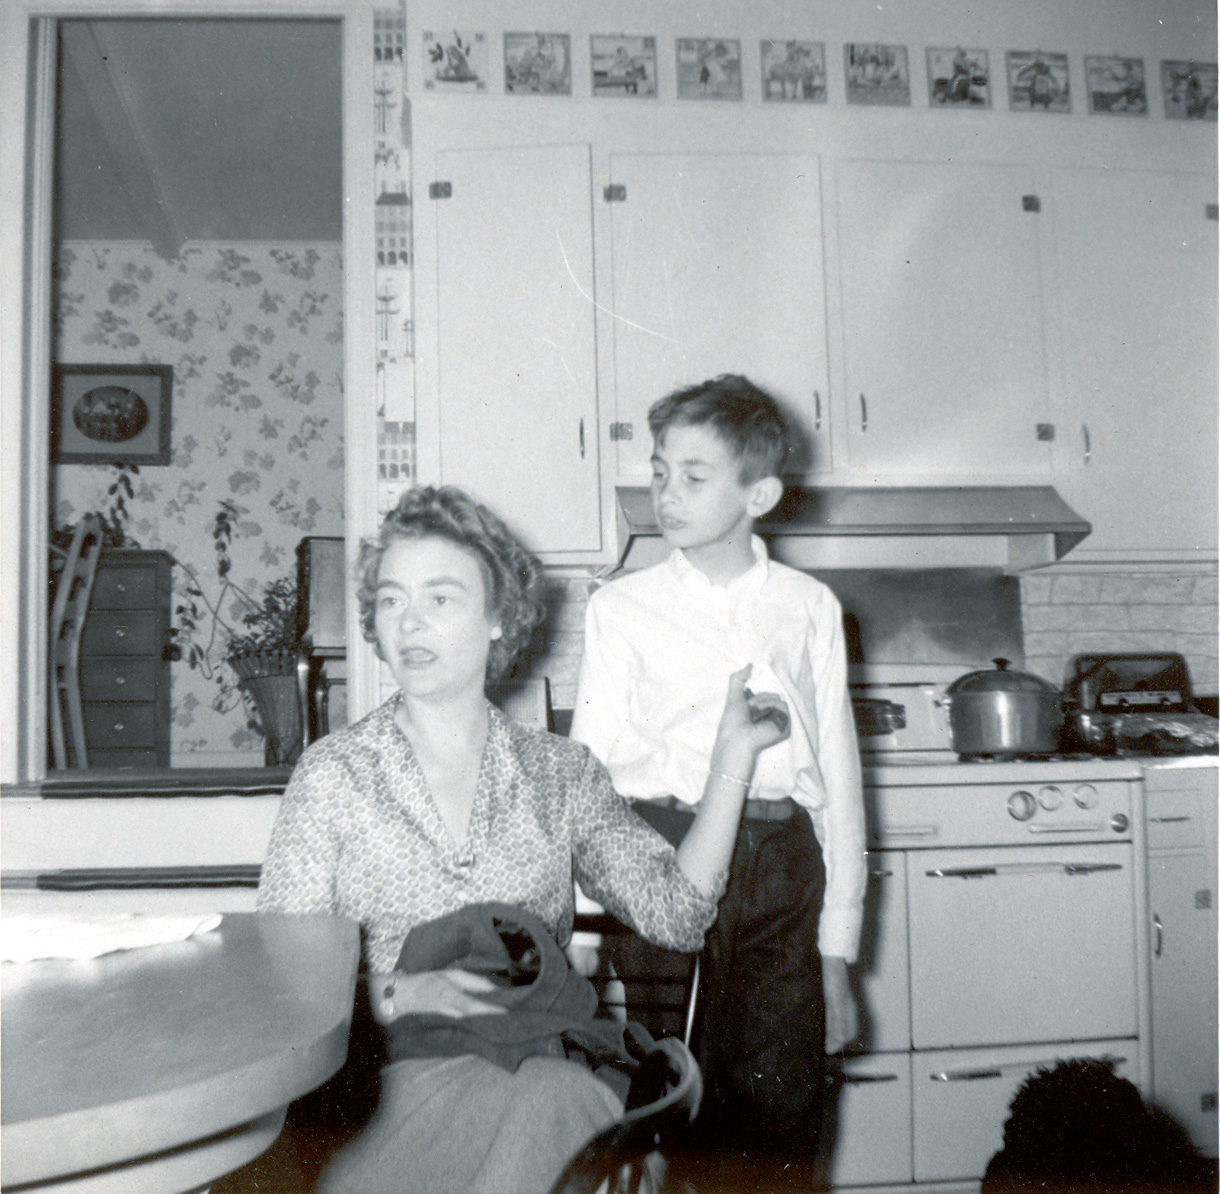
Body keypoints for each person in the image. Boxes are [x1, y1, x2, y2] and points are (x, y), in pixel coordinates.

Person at [256, 484, 790, 1194]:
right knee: (567, 1112)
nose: (409, 622)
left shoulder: (558, 773)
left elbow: (678, 914)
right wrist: (397, 993)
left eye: (440, 597)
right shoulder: (333, 775)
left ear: (499, 618)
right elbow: (282, 984)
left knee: (557, 1099)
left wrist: (732, 759)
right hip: (380, 1090)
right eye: (391, 600)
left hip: (536, 1068)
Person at [570, 374, 867, 1191]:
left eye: (694, 477)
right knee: (673, 1101)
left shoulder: (809, 607)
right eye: (660, 471)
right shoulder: (620, 609)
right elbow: (587, 776)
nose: (666, 493)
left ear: (758, 494)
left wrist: (837, 953)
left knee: (782, 1110)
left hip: (781, 862)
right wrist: (583, 926)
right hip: (661, 857)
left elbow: (839, 780)